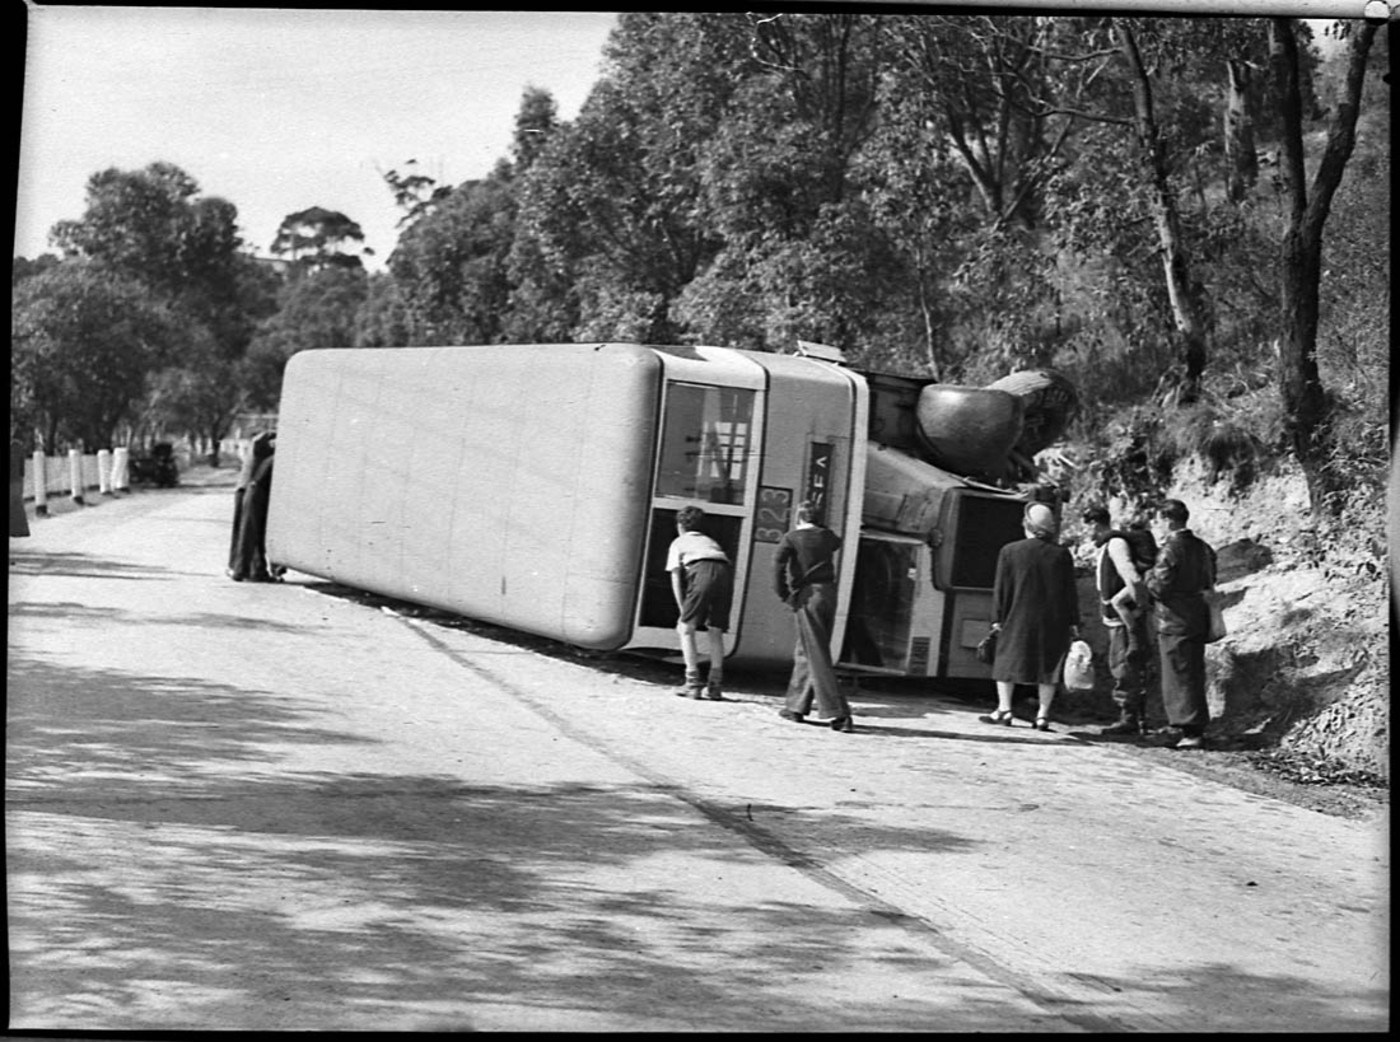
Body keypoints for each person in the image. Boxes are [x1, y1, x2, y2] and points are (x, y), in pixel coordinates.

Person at [981, 502, 1079, 731]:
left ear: (1027, 524)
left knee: (1006, 662)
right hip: (1053, 619)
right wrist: (1074, 621)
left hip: (1017, 615)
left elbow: (1001, 588)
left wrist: (997, 617)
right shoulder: (1062, 555)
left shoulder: (1010, 551)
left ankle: (1004, 709)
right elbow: (1069, 592)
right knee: (1049, 666)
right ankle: (1043, 715)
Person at [774, 501, 854, 732]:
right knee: (807, 649)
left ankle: (839, 714)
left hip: (808, 595)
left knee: (816, 652)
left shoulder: (791, 538)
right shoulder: (827, 536)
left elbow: (776, 567)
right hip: (829, 593)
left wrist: (785, 594)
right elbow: (835, 541)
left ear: (798, 518)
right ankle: (795, 706)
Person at [1145, 498, 1218, 750]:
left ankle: (1189, 729)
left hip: (1174, 619)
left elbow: (1160, 587)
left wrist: (1147, 576)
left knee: (1177, 675)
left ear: (1168, 520)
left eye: (1159, 520)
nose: (1157, 526)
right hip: (1198, 616)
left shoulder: (1170, 549)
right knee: (1192, 672)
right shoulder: (1203, 548)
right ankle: (1187, 725)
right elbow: (1212, 577)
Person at [1082, 504, 1155, 736]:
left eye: (1089, 527)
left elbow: (1131, 577)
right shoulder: (1113, 543)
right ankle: (1138, 718)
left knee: (1124, 667)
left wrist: (1135, 606)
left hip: (1123, 618)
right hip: (1121, 616)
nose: (1088, 533)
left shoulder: (1115, 544)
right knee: (1130, 664)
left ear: (1095, 524)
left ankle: (1129, 718)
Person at [665, 505, 734, 700]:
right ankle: (715, 684)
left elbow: (676, 578)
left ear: (680, 525)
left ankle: (692, 682)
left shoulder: (679, 542)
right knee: (715, 629)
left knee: (686, 629)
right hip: (725, 572)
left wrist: (682, 612)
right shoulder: (710, 541)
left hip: (701, 570)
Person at [230, 437, 277, 583]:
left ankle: (253, 569)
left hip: (247, 488)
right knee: (250, 532)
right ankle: (241, 570)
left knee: (248, 531)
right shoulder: (273, 457)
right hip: (255, 491)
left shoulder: (260, 449)